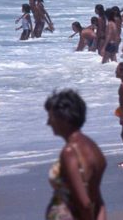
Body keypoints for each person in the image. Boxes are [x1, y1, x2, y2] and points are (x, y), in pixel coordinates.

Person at [45, 89, 106, 220]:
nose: (48, 123)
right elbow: (97, 200)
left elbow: (84, 203)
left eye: (51, 117)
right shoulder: (94, 148)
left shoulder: (70, 152)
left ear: (65, 118)